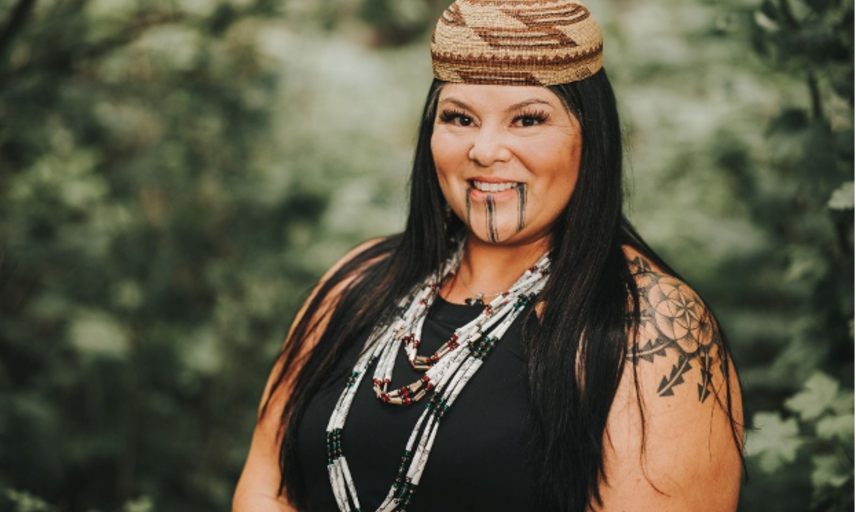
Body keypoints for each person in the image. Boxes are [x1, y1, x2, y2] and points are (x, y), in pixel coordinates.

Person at [233, 1, 744, 510]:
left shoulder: (651, 326)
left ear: (592, 137)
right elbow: (264, 483)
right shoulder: (357, 282)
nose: (485, 149)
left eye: (527, 119)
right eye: (459, 118)